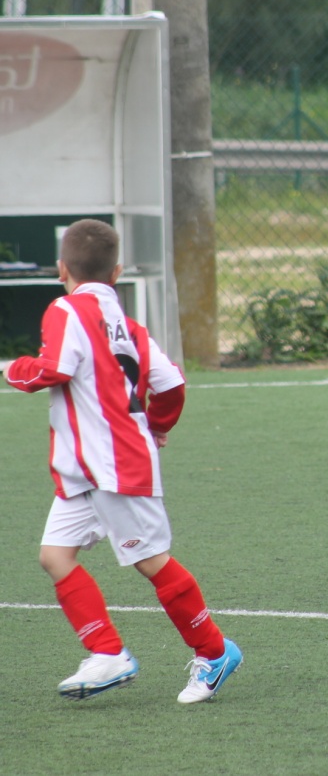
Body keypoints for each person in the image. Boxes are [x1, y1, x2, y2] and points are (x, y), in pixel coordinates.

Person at [2, 220, 242, 703]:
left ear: (61, 269)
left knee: (150, 560)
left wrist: (13, 369)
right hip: (87, 467)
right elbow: (170, 383)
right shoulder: (129, 326)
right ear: (117, 272)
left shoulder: (65, 308)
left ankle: (215, 652)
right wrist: (157, 425)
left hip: (114, 465)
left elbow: (55, 368)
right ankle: (108, 653)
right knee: (55, 555)